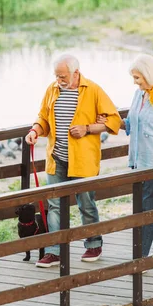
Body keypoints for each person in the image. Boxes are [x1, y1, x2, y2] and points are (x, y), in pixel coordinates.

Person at [25, 54, 122, 268]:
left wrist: (87, 129)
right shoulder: (52, 90)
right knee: (55, 205)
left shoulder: (93, 90)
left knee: (86, 203)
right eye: (57, 76)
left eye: (63, 76)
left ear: (75, 73)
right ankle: (53, 251)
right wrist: (34, 130)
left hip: (83, 159)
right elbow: (43, 118)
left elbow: (114, 120)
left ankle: (93, 244)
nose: (59, 79)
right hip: (56, 157)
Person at [109, 54, 153, 258]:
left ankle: (140, 258)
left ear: (148, 75)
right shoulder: (139, 95)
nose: (135, 82)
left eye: (137, 78)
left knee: (146, 211)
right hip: (138, 162)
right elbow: (132, 124)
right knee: (148, 207)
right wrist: (110, 119)